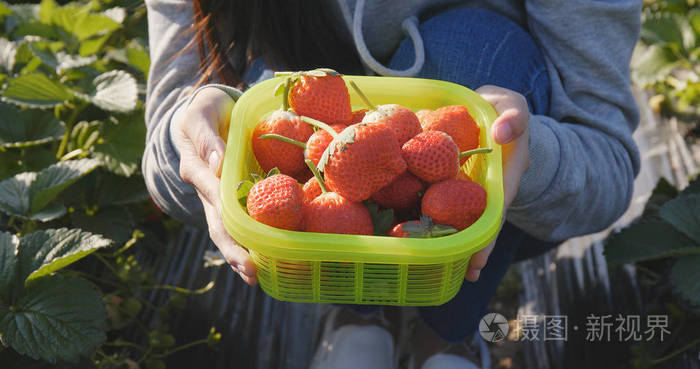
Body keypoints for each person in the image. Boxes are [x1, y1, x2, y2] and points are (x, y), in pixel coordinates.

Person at [142, 0, 641, 368]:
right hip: (324, 171)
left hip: (492, 206)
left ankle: (450, 333)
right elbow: (164, 160)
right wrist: (205, 133)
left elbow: (610, 165)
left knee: (470, 53)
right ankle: (359, 311)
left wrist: (522, 153)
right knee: (272, 101)